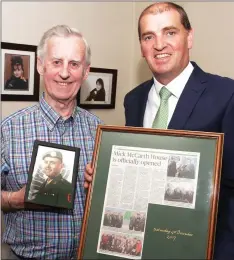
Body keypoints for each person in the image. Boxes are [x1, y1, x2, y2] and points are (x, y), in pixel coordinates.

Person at [85, 2, 234, 259]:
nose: (159, 44)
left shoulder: (226, 94)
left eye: (170, 32)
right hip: (144, 244)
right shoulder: (134, 99)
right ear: (141, 47)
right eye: (148, 36)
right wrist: (105, 178)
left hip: (205, 247)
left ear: (190, 37)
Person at [1, 25, 103, 259]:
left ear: (85, 72)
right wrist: (15, 200)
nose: (65, 73)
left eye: (74, 64)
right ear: (40, 65)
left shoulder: (100, 131)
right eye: (56, 62)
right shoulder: (8, 129)